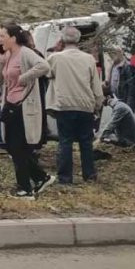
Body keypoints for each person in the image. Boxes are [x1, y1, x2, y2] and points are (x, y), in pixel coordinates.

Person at [0, 24, 54, 198]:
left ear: (13, 38)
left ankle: (25, 188)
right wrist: (1, 61)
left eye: (3, 36)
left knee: (17, 147)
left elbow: (44, 66)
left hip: (23, 105)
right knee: (12, 146)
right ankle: (40, 177)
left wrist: (24, 78)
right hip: (10, 104)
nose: (0, 40)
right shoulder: (8, 55)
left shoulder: (25, 53)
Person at [46, 26, 105, 185]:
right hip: (85, 105)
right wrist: (98, 103)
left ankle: (65, 178)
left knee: (65, 141)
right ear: (79, 40)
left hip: (64, 104)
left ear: (62, 40)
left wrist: (55, 50)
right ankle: (89, 175)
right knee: (86, 142)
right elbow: (96, 84)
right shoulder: (89, 59)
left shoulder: (55, 58)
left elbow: (47, 73)